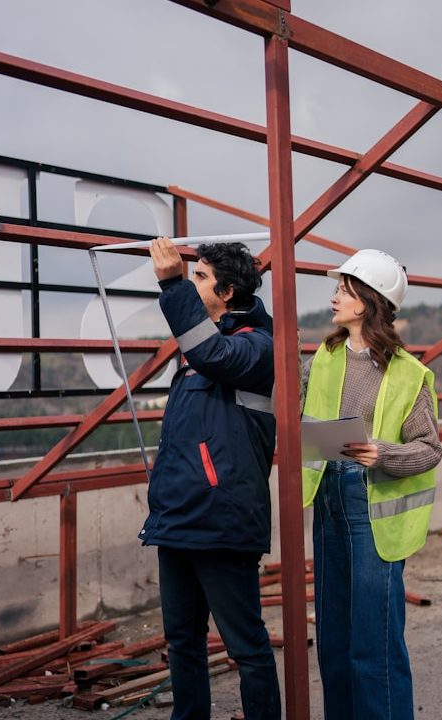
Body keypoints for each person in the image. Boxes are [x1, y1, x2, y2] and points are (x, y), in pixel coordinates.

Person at [139, 237, 280, 720]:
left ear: (229, 292)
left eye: (200, 276)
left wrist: (172, 285)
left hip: (223, 521)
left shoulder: (259, 346)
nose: (191, 280)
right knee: (182, 641)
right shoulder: (198, 351)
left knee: (246, 646)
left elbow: (214, 355)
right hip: (179, 519)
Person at [301, 248, 442, 720]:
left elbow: (429, 449)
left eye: (344, 289)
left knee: (374, 644)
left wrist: (384, 453)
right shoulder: (324, 358)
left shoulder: (408, 374)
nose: (334, 296)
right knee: (334, 642)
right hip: (327, 500)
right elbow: (296, 412)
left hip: (370, 508)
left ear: (368, 301)